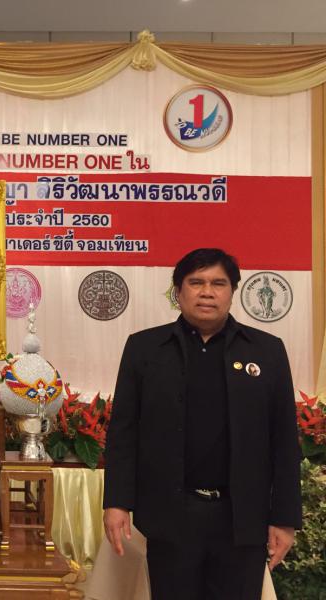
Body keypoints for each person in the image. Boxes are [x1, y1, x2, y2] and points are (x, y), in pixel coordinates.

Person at [103, 248, 302, 600]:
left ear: (232, 291)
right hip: (171, 516)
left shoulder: (267, 351)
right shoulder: (145, 349)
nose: (207, 292)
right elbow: (123, 432)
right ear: (178, 291)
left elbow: (284, 440)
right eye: (196, 282)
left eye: (218, 283)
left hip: (242, 518)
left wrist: (285, 519)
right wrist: (117, 502)